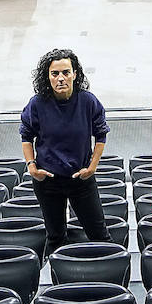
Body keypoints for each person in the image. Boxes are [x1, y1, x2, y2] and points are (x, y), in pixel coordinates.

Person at [20, 49, 111, 257]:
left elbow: (101, 134)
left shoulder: (88, 101)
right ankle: (61, 283)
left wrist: (92, 167)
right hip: (48, 182)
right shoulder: (37, 104)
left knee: (99, 235)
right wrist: (32, 167)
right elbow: (26, 135)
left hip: (81, 179)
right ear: (48, 76)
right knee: (56, 237)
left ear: (75, 74)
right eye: (55, 74)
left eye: (66, 72)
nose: (61, 78)